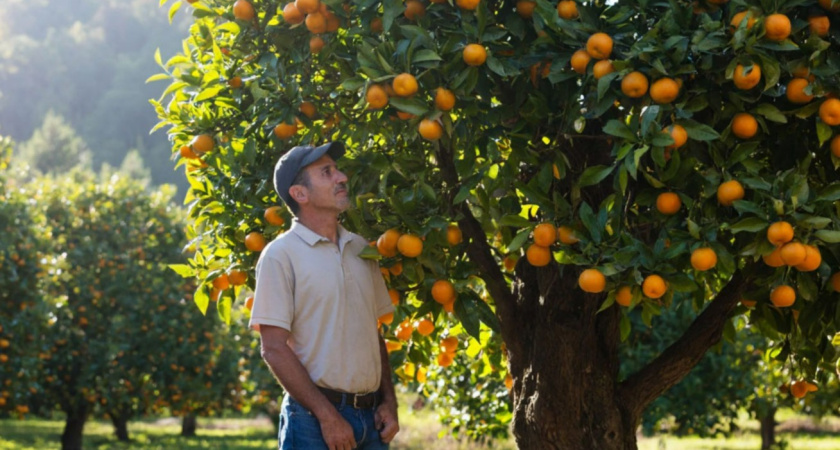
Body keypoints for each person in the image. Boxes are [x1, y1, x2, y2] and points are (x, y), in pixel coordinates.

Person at [249, 141, 399, 450]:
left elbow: (372, 334)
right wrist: (327, 416)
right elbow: (273, 348)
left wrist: (389, 401)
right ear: (300, 194)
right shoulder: (280, 255)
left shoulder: (361, 249)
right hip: (313, 421)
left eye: (337, 170)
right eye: (327, 172)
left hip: (372, 419)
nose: (342, 177)